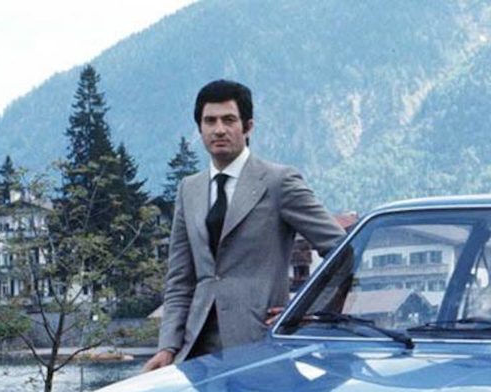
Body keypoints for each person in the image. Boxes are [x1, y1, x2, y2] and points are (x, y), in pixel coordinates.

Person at [143, 79, 344, 371]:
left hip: (262, 348)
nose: (219, 129)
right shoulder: (189, 189)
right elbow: (179, 280)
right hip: (195, 355)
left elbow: (342, 252)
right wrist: (167, 347)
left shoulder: (278, 182)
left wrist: (306, 312)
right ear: (199, 129)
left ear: (248, 127)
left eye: (229, 120)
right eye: (210, 121)